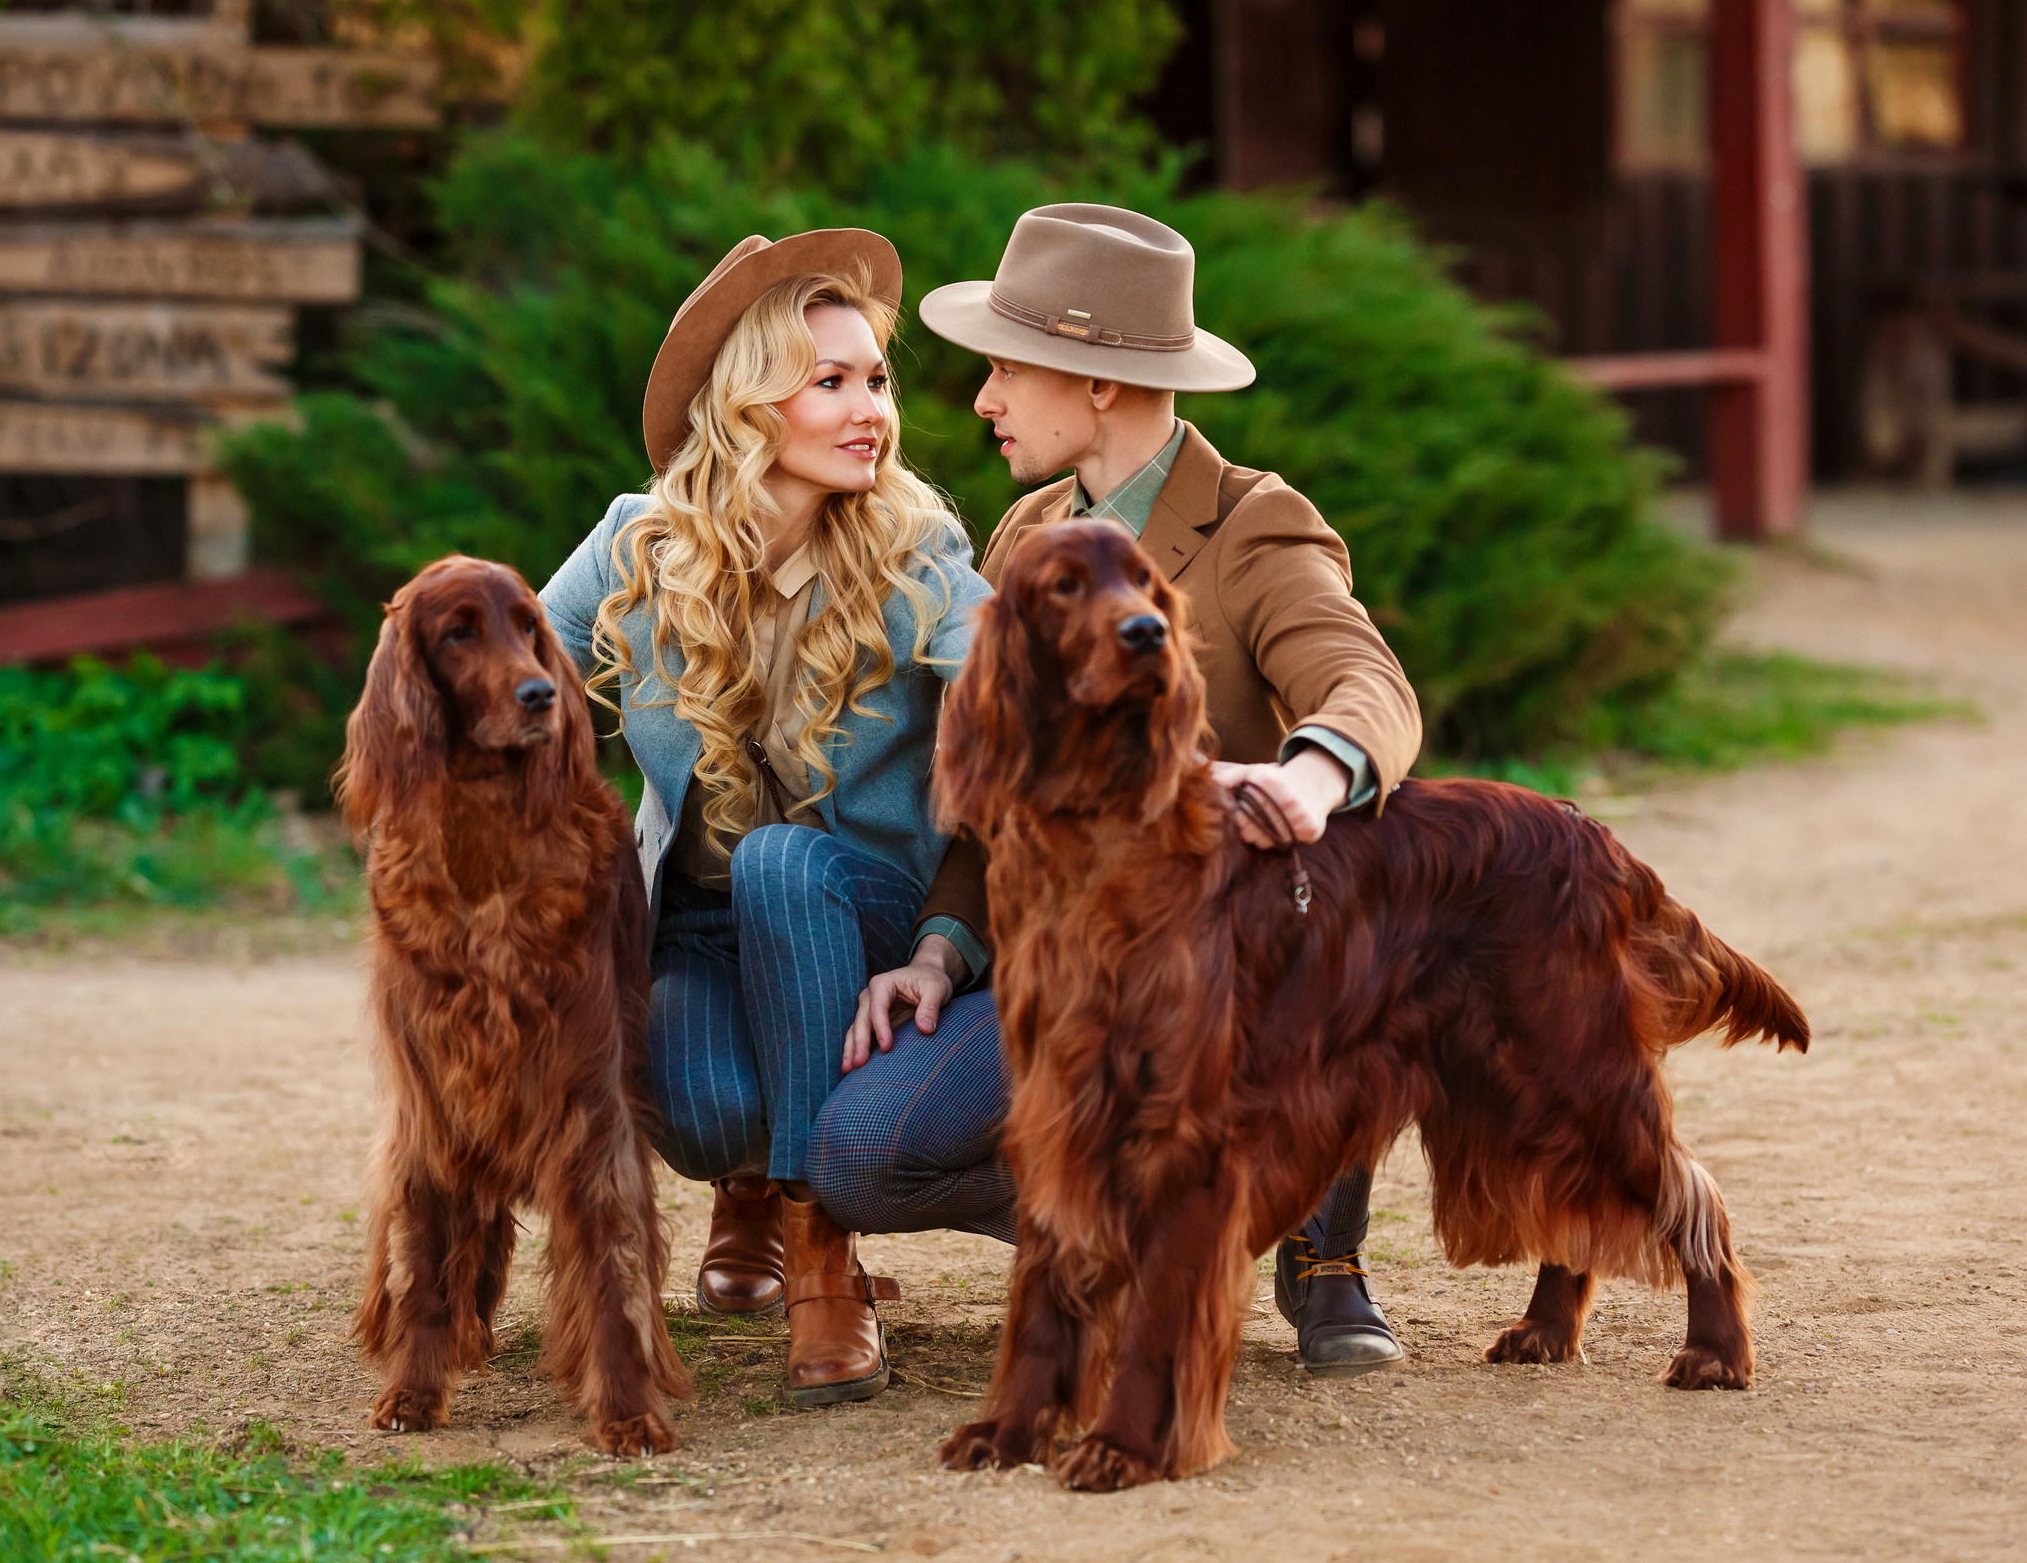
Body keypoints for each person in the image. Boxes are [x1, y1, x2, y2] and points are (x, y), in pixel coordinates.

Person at [807, 203, 1425, 1377]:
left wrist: (1311, 772)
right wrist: (940, 950)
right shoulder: (1024, 535)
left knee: (1329, 942)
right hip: (1069, 978)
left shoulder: (1252, 522)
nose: (981, 400)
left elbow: (1365, 680)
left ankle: (1309, 1235)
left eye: (1004, 368)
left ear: (1094, 382)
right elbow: (1000, 793)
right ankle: (1137, 1235)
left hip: (1226, 978)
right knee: (858, 1152)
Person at [541, 230, 989, 1407]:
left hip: (865, 921)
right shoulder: (639, 540)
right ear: (748, 407)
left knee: (789, 861)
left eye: (876, 380)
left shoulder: (920, 543)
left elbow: (1012, 666)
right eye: (828, 381)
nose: (869, 411)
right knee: (699, 1104)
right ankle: (749, 1179)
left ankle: (821, 1252)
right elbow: (506, 667)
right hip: (700, 929)